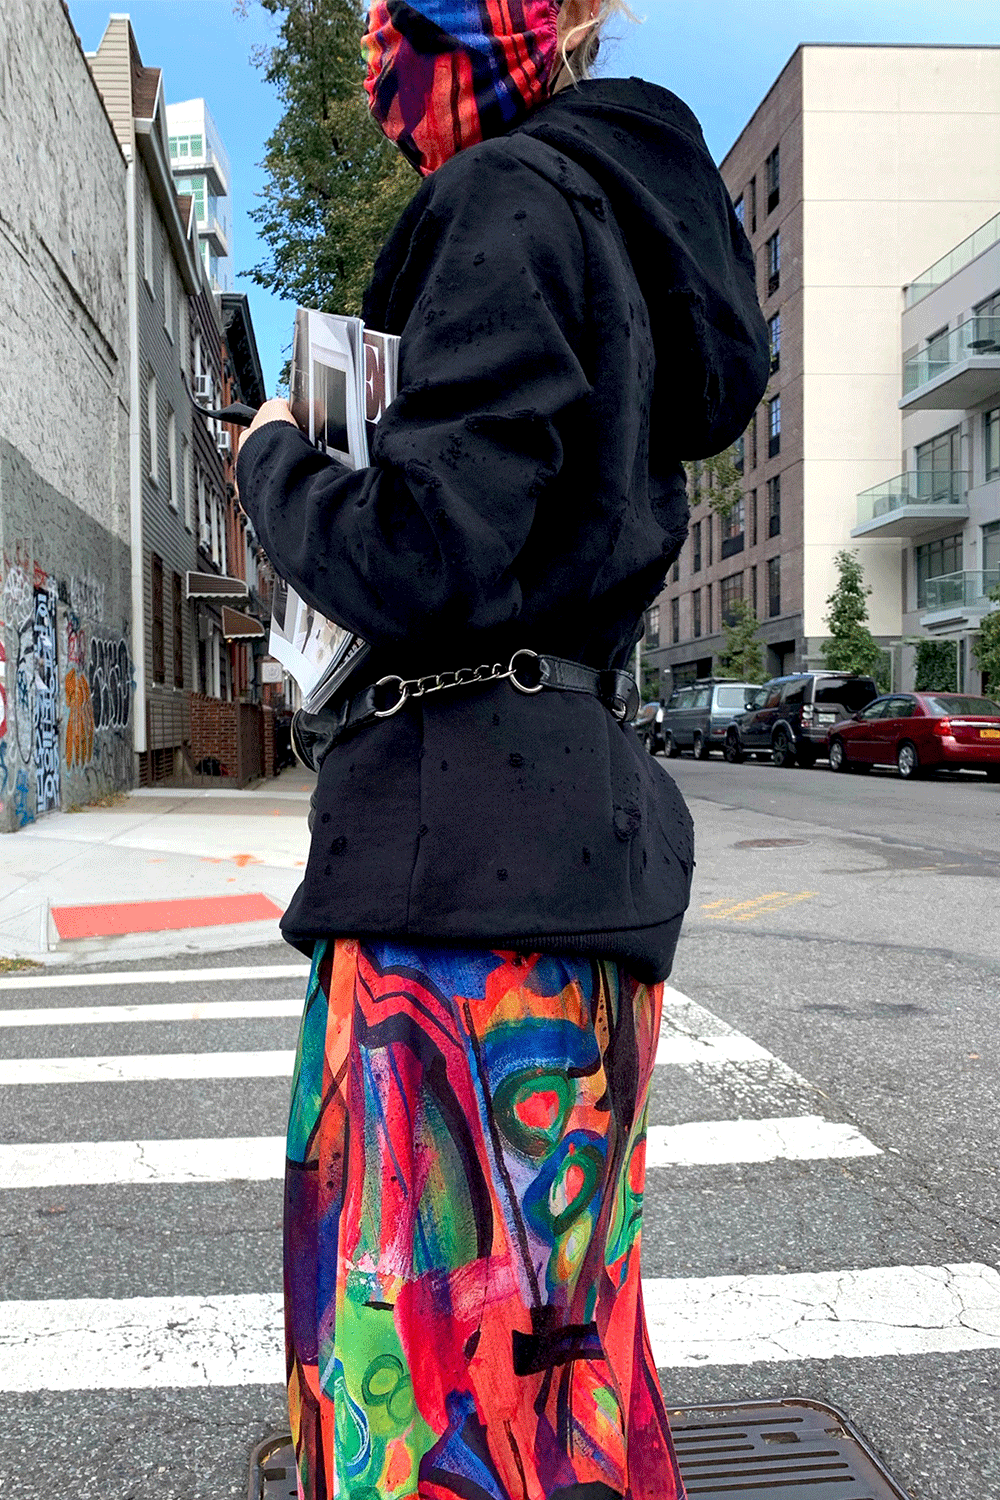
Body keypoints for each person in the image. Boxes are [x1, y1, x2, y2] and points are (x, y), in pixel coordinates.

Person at [236, 2, 769, 1496]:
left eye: (393, 18)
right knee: (555, 1358)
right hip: (564, 841)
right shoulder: (607, 209)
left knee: (430, 1376)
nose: (372, 55)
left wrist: (269, 452)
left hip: (458, 869)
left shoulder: (505, 199)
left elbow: (422, 544)